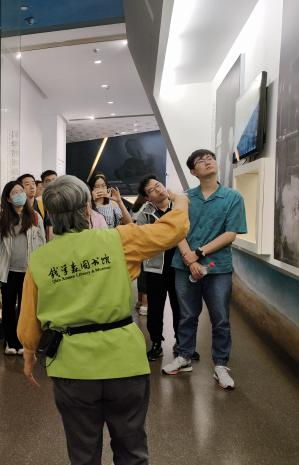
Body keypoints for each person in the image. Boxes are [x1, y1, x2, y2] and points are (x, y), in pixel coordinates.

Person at [17, 175, 189, 465]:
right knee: (132, 450)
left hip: (72, 367)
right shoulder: (118, 240)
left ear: (52, 215)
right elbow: (173, 229)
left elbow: (29, 319)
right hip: (124, 361)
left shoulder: (40, 259)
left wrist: (29, 353)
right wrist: (180, 201)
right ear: (87, 209)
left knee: (83, 453)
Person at [162, 149, 246, 390]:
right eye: (200, 161)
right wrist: (190, 260)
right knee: (187, 315)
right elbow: (177, 231)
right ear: (193, 171)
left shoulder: (232, 197)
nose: (207, 161)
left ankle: (221, 365)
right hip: (184, 265)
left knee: (220, 318)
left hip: (217, 267)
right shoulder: (185, 198)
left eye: (210, 158)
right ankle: (184, 356)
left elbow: (230, 233)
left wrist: (198, 254)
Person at [136, 174, 196, 361]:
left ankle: (182, 343)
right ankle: (156, 343)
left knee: (180, 307)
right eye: (152, 190)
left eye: (158, 185)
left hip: (179, 266)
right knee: (155, 308)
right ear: (148, 197)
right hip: (155, 268)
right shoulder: (145, 213)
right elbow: (142, 238)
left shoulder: (179, 206)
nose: (158, 189)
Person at [0, 180, 45, 355]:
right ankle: (10, 341)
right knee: (8, 308)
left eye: (21, 190)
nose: (19, 194)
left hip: (29, 271)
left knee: (25, 310)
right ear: (8, 198)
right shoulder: (1, 218)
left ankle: (22, 342)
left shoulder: (35, 216)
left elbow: (42, 243)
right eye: (15, 192)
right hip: (8, 271)